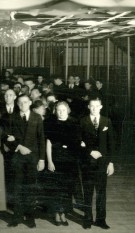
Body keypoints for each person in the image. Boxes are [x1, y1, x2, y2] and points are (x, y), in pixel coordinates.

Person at [5, 94, 45, 229]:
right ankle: (16, 216)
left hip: (33, 158)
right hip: (17, 158)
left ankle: (30, 218)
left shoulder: (37, 117)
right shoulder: (12, 117)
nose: (23, 105)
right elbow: (6, 137)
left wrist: (41, 159)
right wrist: (18, 146)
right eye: (20, 103)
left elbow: (41, 139)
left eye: (25, 102)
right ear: (17, 104)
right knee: (17, 188)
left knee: (30, 188)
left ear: (30, 103)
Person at [80, 98, 115, 230]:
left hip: (102, 162)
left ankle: (101, 220)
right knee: (88, 191)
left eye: (97, 106)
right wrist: (90, 151)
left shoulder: (107, 121)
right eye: (92, 106)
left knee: (101, 192)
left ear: (101, 107)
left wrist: (111, 162)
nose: (94, 108)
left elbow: (111, 143)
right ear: (88, 107)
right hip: (87, 162)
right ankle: (87, 219)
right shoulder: (82, 121)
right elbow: (78, 140)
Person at [45, 101, 81, 226]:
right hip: (56, 158)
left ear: (68, 110)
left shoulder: (74, 123)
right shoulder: (51, 123)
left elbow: (78, 141)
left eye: (63, 110)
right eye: (58, 110)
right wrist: (49, 161)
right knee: (56, 187)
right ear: (55, 111)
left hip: (70, 159)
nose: (61, 112)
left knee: (67, 188)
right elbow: (48, 144)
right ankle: (56, 213)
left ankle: (63, 213)